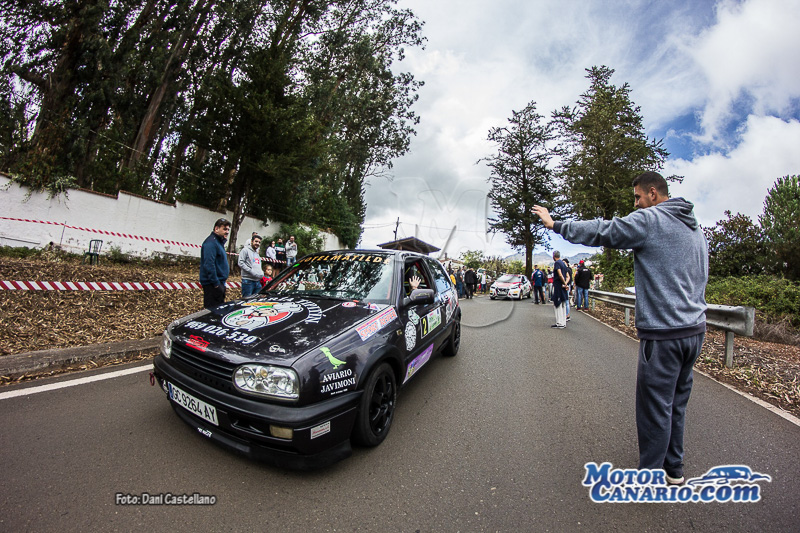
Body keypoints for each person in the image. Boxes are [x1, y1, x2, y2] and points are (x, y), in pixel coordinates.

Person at [533, 171, 708, 485]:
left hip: (664, 334)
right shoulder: (694, 228)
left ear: (653, 193)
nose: (636, 204)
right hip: (694, 331)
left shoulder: (651, 220)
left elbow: (604, 230)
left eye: (638, 197)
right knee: (676, 404)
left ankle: (649, 478)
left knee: (654, 408)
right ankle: (674, 469)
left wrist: (556, 224)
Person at [200, 218, 231, 309]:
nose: (227, 232)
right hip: (212, 285)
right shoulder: (211, 243)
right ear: (216, 229)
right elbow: (209, 264)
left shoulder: (218, 242)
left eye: (228, 229)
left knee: (219, 309)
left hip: (219, 283)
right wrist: (216, 284)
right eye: (224, 229)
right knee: (213, 311)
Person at [550, 251, 570, 328]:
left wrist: (564, 283)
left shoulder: (557, 263)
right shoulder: (563, 264)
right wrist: (566, 284)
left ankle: (559, 322)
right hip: (563, 287)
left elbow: (560, 274)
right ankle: (563, 322)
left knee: (557, 304)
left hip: (558, 286)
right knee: (563, 303)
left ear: (554, 256)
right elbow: (568, 276)